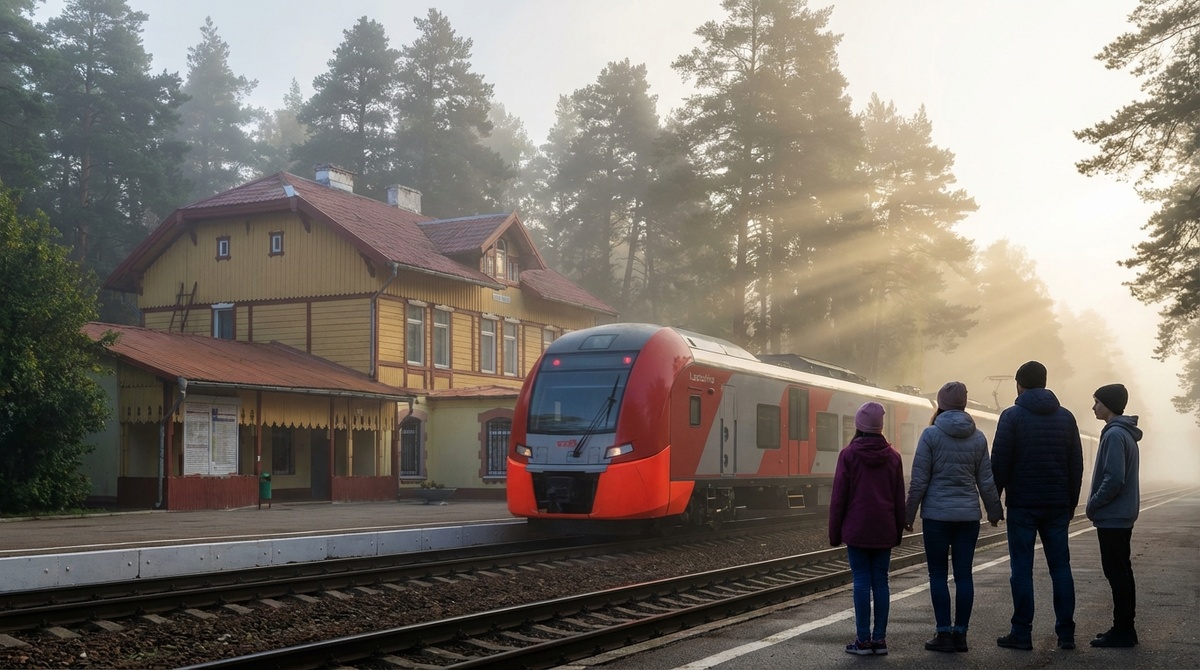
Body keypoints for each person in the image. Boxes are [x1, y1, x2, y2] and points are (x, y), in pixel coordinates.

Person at [990, 360, 1084, 651]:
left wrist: (994, 502)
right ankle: (1066, 634)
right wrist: (1070, 503)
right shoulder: (1066, 418)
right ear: (1045, 382)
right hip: (1057, 505)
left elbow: (1000, 463)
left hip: (1023, 506)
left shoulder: (1012, 416)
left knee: (1021, 569)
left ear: (1019, 384)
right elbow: (1076, 465)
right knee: (1061, 568)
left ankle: (1021, 633)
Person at [905, 381, 1003, 653]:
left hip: (936, 516)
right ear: (964, 404)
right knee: (964, 576)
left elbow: (919, 481)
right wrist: (994, 511)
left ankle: (943, 632)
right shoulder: (978, 437)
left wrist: (908, 514)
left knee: (937, 575)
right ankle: (960, 635)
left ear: (941, 404)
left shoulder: (930, 435)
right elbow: (986, 480)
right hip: (968, 517)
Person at [829, 401, 906, 656]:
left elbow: (839, 497)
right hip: (883, 529)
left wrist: (834, 532)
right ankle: (880, 640)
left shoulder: (848, 455)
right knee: (881, 582)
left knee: (861, 581)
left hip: (857, 529)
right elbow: (898, 497)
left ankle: (862, 641)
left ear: (859, 426)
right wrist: (898, 531)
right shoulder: (894, 457)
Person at [1086, 383, 1142, 648]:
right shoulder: (1125, 434)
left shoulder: (1113, 435)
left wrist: (1093, 505)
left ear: (1107, 404)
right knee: (1122, 570)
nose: (1093, 406)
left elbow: (1114, 478)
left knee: (1116, 572)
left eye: (1096, 401)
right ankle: (1123, 627)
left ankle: (1123, 630)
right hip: (1121, 515)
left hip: (1113, 516)